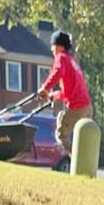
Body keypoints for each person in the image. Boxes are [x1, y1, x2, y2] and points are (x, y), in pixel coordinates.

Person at [38, 30, 93, 164]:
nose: (51, 49)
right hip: (87, 107)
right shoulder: (72, 62)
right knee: (82, 137)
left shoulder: (61, 58)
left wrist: (45, 88)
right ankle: (86, 162)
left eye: (53, 45)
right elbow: (70, 91)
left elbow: (57, 72)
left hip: (77, 107)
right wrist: (54, 96)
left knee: (61, 135)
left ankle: (79, 161)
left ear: (59, 46)